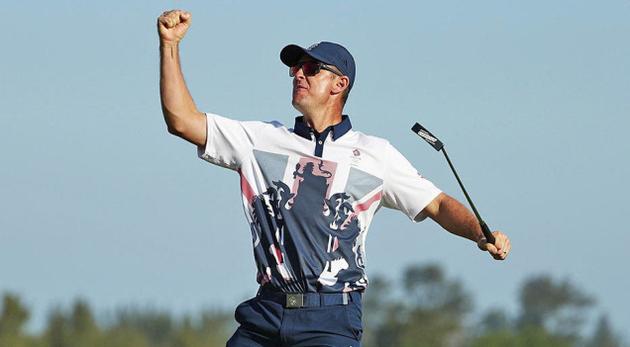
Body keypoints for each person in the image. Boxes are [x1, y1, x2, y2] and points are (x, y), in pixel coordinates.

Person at [157, 9, 511, 347]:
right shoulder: (258, 140)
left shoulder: (376, 154)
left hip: (331, 318)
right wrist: (170, 45)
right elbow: (182, 120)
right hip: (266, 312)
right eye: (296, 68)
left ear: (339, 84)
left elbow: (436, 204)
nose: (298, 74)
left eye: (311, 69)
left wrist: (480, 233)